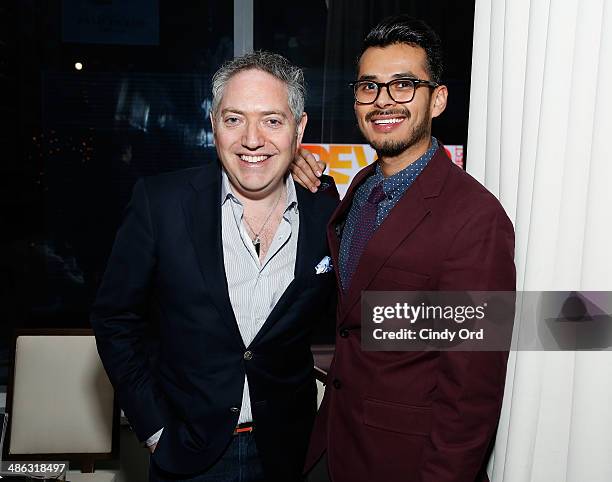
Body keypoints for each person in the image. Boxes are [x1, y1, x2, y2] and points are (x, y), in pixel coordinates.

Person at [91, 51, 338, 482]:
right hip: (187, 454)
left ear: (299, 128)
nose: (253, 139)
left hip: (287, 454)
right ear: (213, 124)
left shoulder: (328, 210)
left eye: (272, 120)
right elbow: (115, 320)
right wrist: (153, 429)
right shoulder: (161, 203)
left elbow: (354, 315)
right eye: (234, 119)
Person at [294, 15, 516, 482]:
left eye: (403, 85)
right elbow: (371, 291)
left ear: (437, 99)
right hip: (333, 442)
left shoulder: (477, 219)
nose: (383, 102)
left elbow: (471, 392)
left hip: (404, 463)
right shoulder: (363, 187)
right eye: (369, 87)